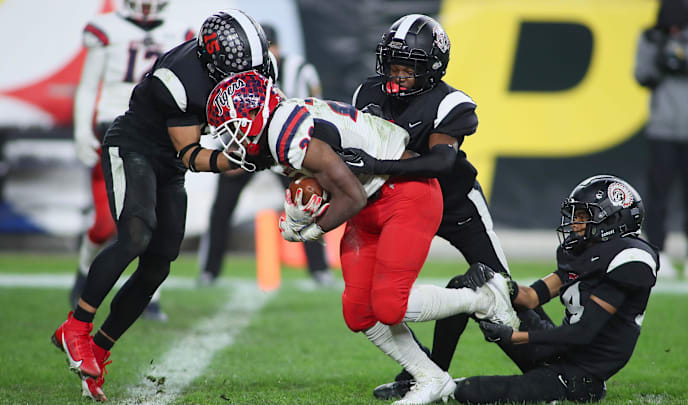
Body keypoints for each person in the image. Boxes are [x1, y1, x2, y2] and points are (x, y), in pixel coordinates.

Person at [205, 70, 520, 405]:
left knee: (389, 304)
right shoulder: (279, 127)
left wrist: (313, 229)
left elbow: (351, 195)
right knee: (359, 312)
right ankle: (431, 377)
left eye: (234, 128)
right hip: (372, 197)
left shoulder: (287, 134)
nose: (232, 140)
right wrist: (304, 206)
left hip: (405, 195)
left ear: (256, 114)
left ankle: (482, 299)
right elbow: (337, 180)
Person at [51, 9, 275, 402]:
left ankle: (101, 350)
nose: (245, 84)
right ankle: (76, 326)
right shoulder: (180, 77)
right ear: (211, 60)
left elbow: (267, 111)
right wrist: (238, 160)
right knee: (136, 233)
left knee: (159, 263)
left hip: (168, 163)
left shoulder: (258, 65)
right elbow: (189, 153)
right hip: (135, 146)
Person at [339, 13, 526, 392]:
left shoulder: (450, 103)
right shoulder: (367, 94)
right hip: (391, 209)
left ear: (433, 69)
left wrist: (376, 164)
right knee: (378, 299)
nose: (398, 73)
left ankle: (554, 367)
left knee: (503, 289)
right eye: (393, 63)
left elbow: (441, 163)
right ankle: (422, 372)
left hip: (454, 204)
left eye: (410, 66)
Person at [379, 175, 658, 404]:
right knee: (465, 288)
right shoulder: (585, 252)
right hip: (556, 348)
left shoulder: (629, 262)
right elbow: (533, 297)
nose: (574, 224)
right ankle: (429, 372)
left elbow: (583, 333)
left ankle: (442, 386)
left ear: (611, 221)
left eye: (583, 216)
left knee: (466, 393)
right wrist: (498, 283)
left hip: (579, 373)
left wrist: (515, 337)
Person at [70, 0, 194, 322]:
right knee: (106, 223)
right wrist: (82, 130)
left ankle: (149, 297)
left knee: (155, 224)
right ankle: (84, 275)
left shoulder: (179, 31)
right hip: (115, 126)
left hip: (158, 130)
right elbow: (87, 86)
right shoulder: (107, 27)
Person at [196, 22, 332, 287]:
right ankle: (209, 271)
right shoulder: (235, 72)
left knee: (307, 202)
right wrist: (231, 149)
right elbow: (225, 114)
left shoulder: (300, 71)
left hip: (287, 150)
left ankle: (319, 269)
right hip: (246, 147)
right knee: (221, 208)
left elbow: (313, 112)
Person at [634, 0, 688, 279]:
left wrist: (686, 62)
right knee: (658, 196)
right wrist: (661, 62)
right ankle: (657, 252)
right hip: (662, 130)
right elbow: (641, 75)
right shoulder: (651, 37)